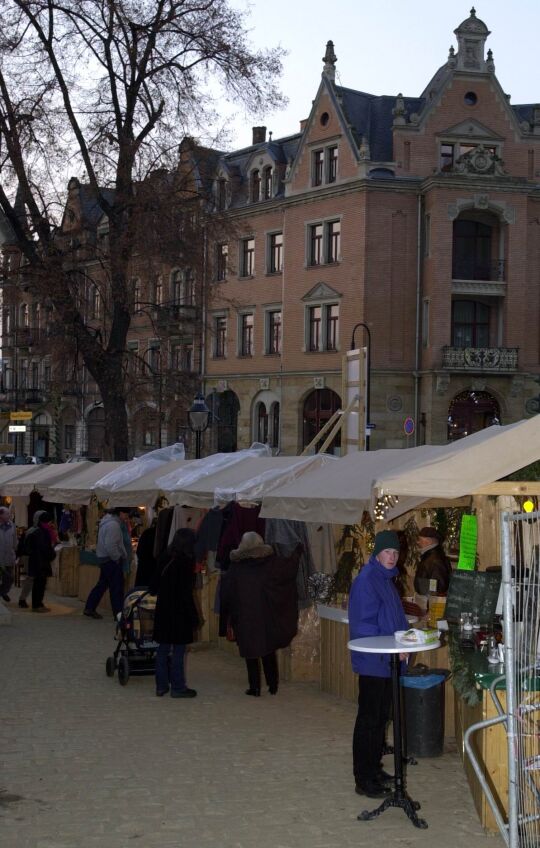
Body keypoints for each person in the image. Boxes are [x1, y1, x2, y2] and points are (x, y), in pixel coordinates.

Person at [348, 529, 409, 799]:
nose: (392, 557)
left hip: (388, 661)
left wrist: (405, 641)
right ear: (377, 553)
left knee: (380, 718)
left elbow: (394, 620)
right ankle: (364, 778)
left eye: (395, 552)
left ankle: (374, 768)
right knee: (369, 720)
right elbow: (365, 626)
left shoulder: (386, 579)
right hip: (375, 662)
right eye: (387, 551)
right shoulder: (367, 580)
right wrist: (393, 649)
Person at [220, 531, 301, 697]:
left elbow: (227, 591)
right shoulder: (270, 563)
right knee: (267, 649)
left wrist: (229, 611)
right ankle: (273, 685)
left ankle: (254, 687)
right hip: (266, 614)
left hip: (243, 615)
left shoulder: (236, 567)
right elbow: (287, 572)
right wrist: (297, 553)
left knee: (250, 652)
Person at [149, 527, 199, 698]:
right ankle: (178, 687)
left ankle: (161, 686)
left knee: (163, 649)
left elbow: (153, 586)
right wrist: (194, 616)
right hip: (179, 612)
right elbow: (186, 593)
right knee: (178, 650)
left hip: (164, 609)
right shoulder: (186, 562)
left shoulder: (164, 557)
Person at [83, 508, 129, 619]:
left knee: (102, 585)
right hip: (111, 560)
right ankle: (118, 613)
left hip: (106, 559)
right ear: (121, 512)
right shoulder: (114, 525)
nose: (128, 517)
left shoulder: (108, 523)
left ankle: (90, 607)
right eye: (127, 514)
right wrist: (117, 557)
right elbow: (111, 545)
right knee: (116, 587)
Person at [24, 510, 57, 612]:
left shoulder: (39, 531)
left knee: (41, 584)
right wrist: (52, 553)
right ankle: (36, 605)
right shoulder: (41, 532)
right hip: (40, 562)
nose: (51, 524)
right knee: (39, 584)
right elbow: (44, 548)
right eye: (50, 522)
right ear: (46, 522)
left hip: (38, 562)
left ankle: (39, 603)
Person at [414, 526, 452, 596]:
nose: (418, 542)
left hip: (432, 604)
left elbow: (440, 586)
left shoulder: (434, 560)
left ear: (429, 541)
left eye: (420, 539)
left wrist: (420, 585)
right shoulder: (433, 556)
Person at [0, 506, 18, 603]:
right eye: (7, 514)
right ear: (1, 515)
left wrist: (15, 551)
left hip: (9, 556)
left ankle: (3, 592)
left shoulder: (12, 525)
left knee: (10, 579)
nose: (9, 515)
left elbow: (15, 540)